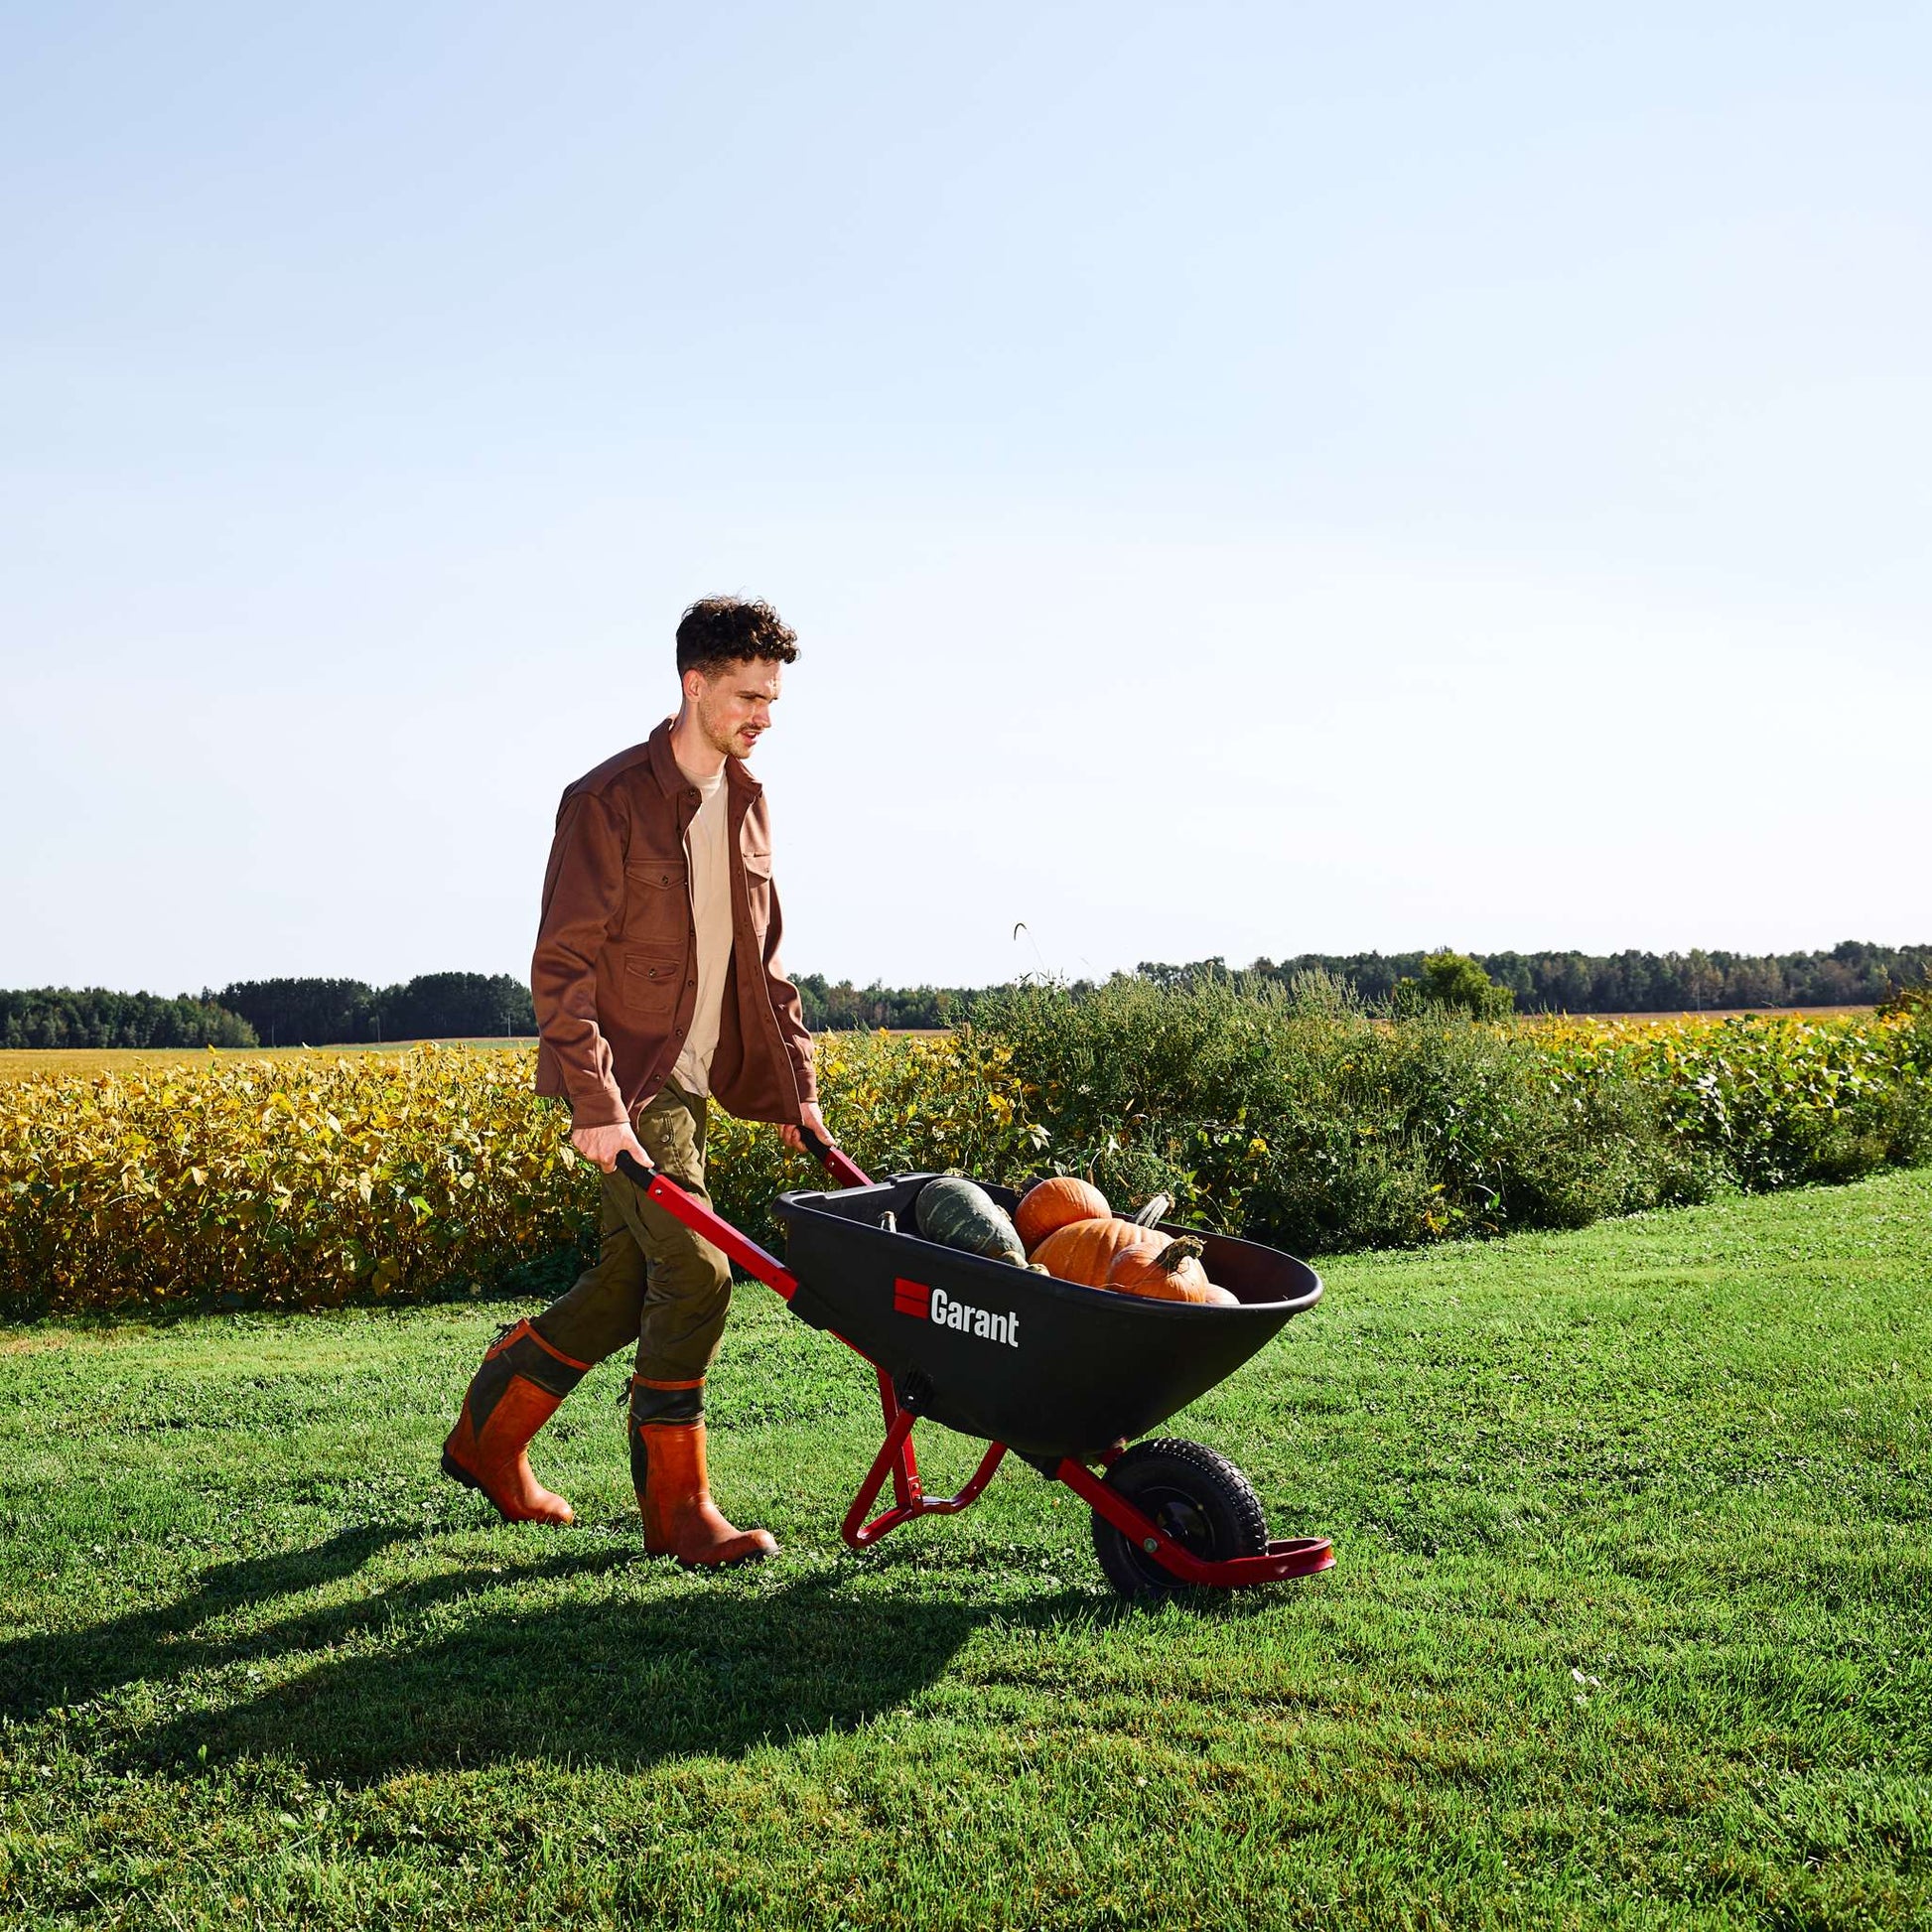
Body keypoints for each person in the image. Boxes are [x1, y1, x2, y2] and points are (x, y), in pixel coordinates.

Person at [442, 596, 830, 1566]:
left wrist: (797, 1087)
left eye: (772, 697)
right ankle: (676, 1510)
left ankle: (487, 1436)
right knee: (697, 1268)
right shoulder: (606, 802)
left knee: (625, 1286)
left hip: (695, 1087)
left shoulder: (746, 801)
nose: (763, 715)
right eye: (747, 694)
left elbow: (764, 960)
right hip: (632, 1086)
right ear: (692, 684)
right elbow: (561, 968)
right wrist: (595, 1104)